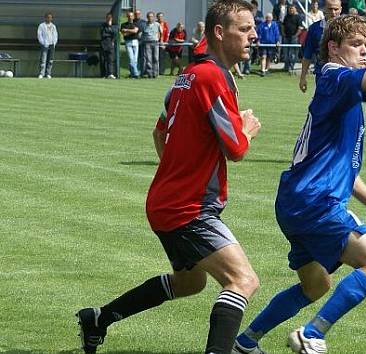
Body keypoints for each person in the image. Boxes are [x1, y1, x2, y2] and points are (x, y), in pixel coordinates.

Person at [232, 14, 366, 354]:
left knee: (314, 286)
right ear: (333, 47)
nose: (364, 51)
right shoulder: (334, 77)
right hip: (316, 201)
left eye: (365, 46)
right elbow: (364, 79)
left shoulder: (344, 96)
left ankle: (245, 341)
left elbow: (346, 170)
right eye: (356, 45)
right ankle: (312, 333)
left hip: (295, 203)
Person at [76, 1, 262, 354]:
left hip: (167, 200)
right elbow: (236, 148)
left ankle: (97, 319)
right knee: (242, 280)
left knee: (190, 282)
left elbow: (160, 134)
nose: (252, 35)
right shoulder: (214, 77)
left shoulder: (187, 75)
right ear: (219, 33)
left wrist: (179, 174)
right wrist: (248, 129)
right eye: (244, 28)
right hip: (188, 208)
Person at [298, 0, 343, 93]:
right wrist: (303, 77)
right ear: (324, 9)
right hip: (322, 75)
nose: (333, 12)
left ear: (341, 9)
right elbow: (307, 55)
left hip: (343, 75)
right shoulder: (314, 28)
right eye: (330, 9)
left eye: (336, 9)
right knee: (323, 106)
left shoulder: (348, 29)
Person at [283, 4, 304, 74]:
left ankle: (291, 67)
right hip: (286, 37)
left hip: (294, 38)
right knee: (286, 53)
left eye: (292, 8)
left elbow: (300, 28)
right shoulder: (286, 17)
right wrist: (283, 33)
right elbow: (283, 26)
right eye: (290, 9)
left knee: (292, 54)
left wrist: (295, 35)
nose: (290, 10)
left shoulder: (298, 17)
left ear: (295, 9)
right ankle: (286, 66)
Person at [37, 12, 58, 79]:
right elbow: (39, 35)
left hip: (51, 44)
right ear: (45, 18)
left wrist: (54, 42)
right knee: (43, 59)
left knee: (50, 60)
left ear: (51, 18)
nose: (49, 19)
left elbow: (55, 35)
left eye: (50, 17)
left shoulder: (53, 26)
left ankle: (48, 73)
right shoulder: (41, 25)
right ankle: (41, 73)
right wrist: (43, 43)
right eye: (47, 17)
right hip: (45, 44)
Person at [141, 11, 161, 78]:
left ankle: (156, 73)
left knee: (156, 58)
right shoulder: (144, 25)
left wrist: (159, 40)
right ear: (147, 17)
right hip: (147, 43)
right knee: (148, 59)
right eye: (149, 16)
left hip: (155, 43)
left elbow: (161, 33)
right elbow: (142, 34)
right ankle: (150, 74)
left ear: (154, 17)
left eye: (151, 16)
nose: (150, 18)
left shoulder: (157, 24)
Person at [121, 11, 140, 78]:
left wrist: (126, 30)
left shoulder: (136, 23)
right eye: (129, 16)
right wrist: (131, 31)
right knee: (131, 59)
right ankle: (136, 73)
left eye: (131, 16)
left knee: (135, 60)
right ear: (127, 17)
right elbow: (124, 34)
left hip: (135, 42)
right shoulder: (123, 24)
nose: (130, 17)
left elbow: (135, 31)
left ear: (133, 16)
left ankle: (132, 74)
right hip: (128, 42)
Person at [100, 13, 116, 79]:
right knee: (103, 60)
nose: (109, 19)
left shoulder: (114, 26)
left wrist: (109, 27)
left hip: (110, 45)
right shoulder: (103, 25)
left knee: (110, 60)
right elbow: (102, 34)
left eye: (110, 18)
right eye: (108, 18)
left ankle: (110, 73)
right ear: (106, 18)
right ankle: (103, 74)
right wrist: (109, 32)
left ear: (112, 19)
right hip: (103, 44)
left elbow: (115, 33)